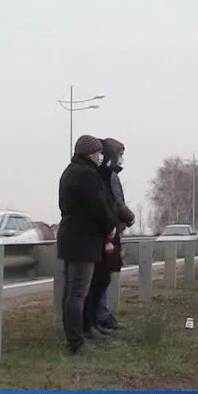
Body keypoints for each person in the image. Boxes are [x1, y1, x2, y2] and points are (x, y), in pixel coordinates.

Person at [56, 135, 118, 355]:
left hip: (70, 237)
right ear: (90, 153)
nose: (101, 156)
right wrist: (110, 227)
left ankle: (74, 336)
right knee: (78, 292)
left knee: (71, 292)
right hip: (83, 239)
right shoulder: (87, 175)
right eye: (99, 152)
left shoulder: (70, 172)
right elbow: (99, 207)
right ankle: (76, 341)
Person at [84, 137, 134, 338]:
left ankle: (99, 317)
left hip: (110, 230)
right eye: (120, 155)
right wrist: (127, 216)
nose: (121, 160)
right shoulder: (106, 176)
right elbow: (113, 203)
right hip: (107, 232)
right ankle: (97, 318)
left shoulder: (107, 175)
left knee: (102, 278)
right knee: (99, 279)